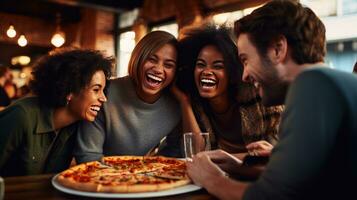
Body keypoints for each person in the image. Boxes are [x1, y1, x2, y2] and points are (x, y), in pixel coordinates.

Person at [186, 0, 357, 199]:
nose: (244, 75)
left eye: (246, 60)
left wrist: (212, 179)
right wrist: (240, 168)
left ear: (278, 49)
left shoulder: (313, 84)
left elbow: (270, 196)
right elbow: (307, 181)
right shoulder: (330, 83)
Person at [0, 49, 113, 177]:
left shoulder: (78, 126)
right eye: (96, 89)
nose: (104, 98)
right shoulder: (21, 116)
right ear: (70, 91)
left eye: (103, 90)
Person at [175, 25, 283, 157]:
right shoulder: (197, 104)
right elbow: (195, 155)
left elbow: (277, 155)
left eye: (218, 66)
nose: (207, 72)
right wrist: (184, 102)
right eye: (201, 65)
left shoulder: (260, 101)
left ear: (232, 73)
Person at [75, 31, 182, 163]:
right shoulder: (103, 94)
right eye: (152, 59)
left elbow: (176, 153)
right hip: (100, 177)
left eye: (168, 65)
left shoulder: (176, 104)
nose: (158, 69)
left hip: (143, 178)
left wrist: (149, 169)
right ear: (138, 57)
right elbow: (88, 156)